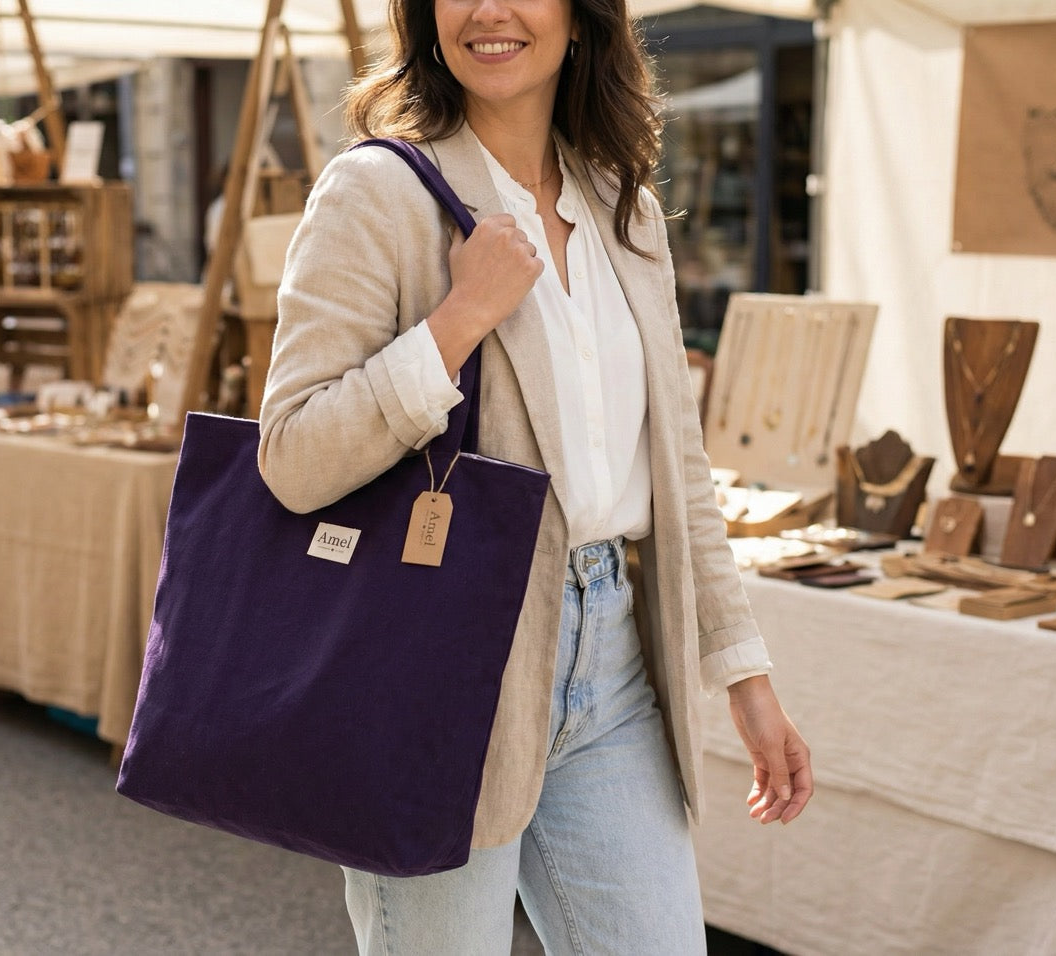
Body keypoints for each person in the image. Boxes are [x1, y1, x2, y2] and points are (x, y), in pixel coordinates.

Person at [258, 0, 813, 951]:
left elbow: (676, 459)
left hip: (616, 660)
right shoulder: (376, 194)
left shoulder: (622, 203)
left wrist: (745, 676)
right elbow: (293, 457)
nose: (489, 10)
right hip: (438, 662)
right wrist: (459, 319)